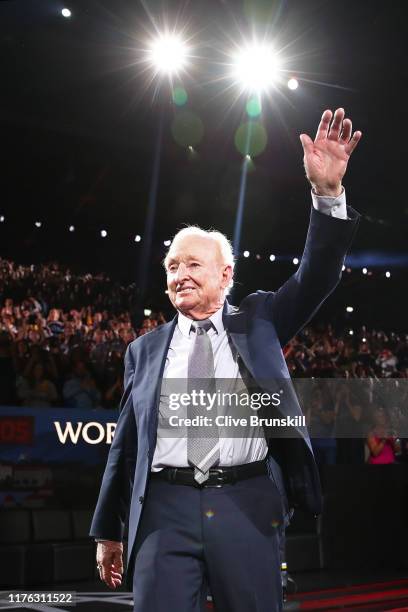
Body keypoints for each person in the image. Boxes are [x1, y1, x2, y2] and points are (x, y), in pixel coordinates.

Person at [90, 108, 362, 612]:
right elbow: (124, 446)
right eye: (172, 265)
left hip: (246, 502)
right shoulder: (142, 351)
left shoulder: (261, 320)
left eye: (194, 263)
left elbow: (317, 276)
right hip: (163, 512)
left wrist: (327, 194)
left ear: (226, 275)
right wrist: (108, 530)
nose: (180, 274)